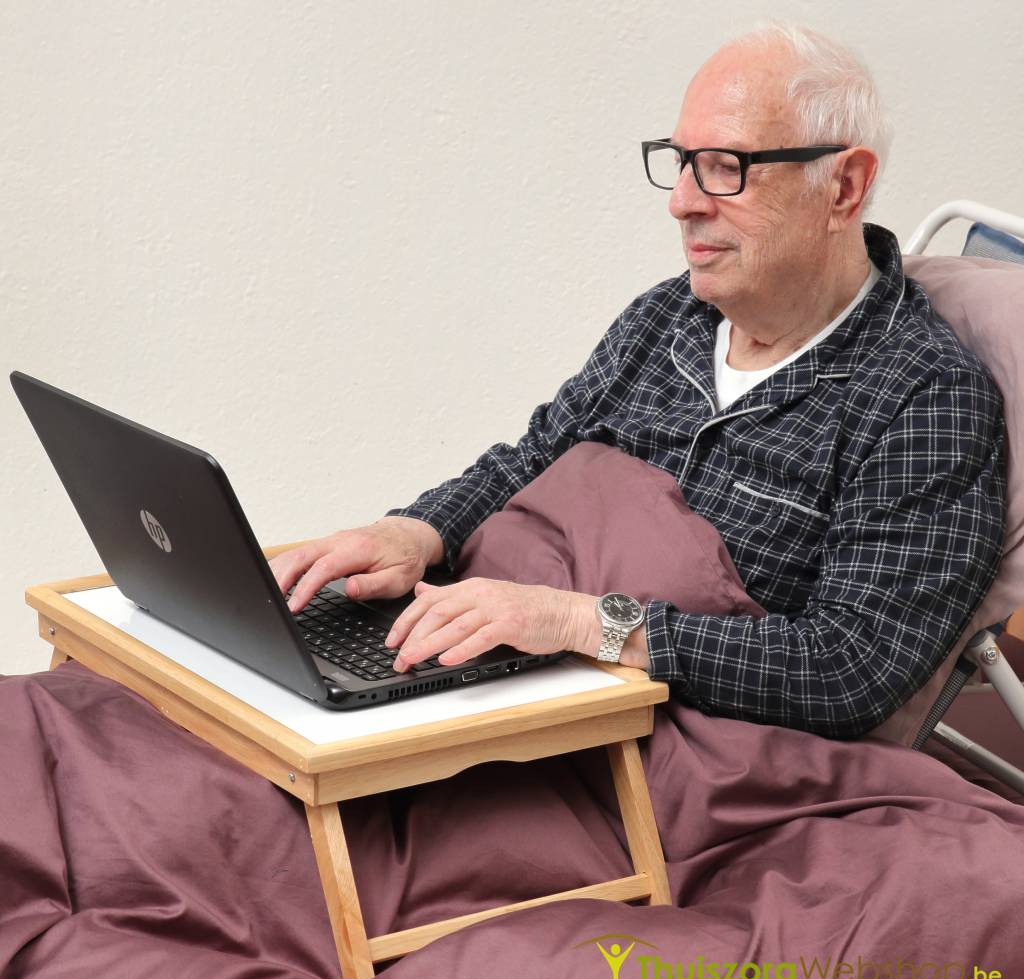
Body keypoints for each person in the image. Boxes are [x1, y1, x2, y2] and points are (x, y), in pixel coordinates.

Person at [270, 23, 1006, 740]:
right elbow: (534, 458)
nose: (682, 200)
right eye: (681, 161)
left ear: (844, 186)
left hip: (656, 743)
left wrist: (576, 621)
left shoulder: (923, 399)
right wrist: (414, 532)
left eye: (726, 167)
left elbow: (850, 669)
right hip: (498, 678)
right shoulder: (668, 318)